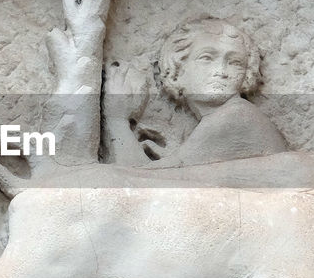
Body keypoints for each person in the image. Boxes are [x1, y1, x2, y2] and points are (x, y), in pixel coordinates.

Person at [105, 15, 288, 166]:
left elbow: (137, 179)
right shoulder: (222, 117)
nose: (221, 72)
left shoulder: (237, 116)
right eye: (207, 58)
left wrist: (116, 118)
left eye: (235, 63)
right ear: (177, 69)